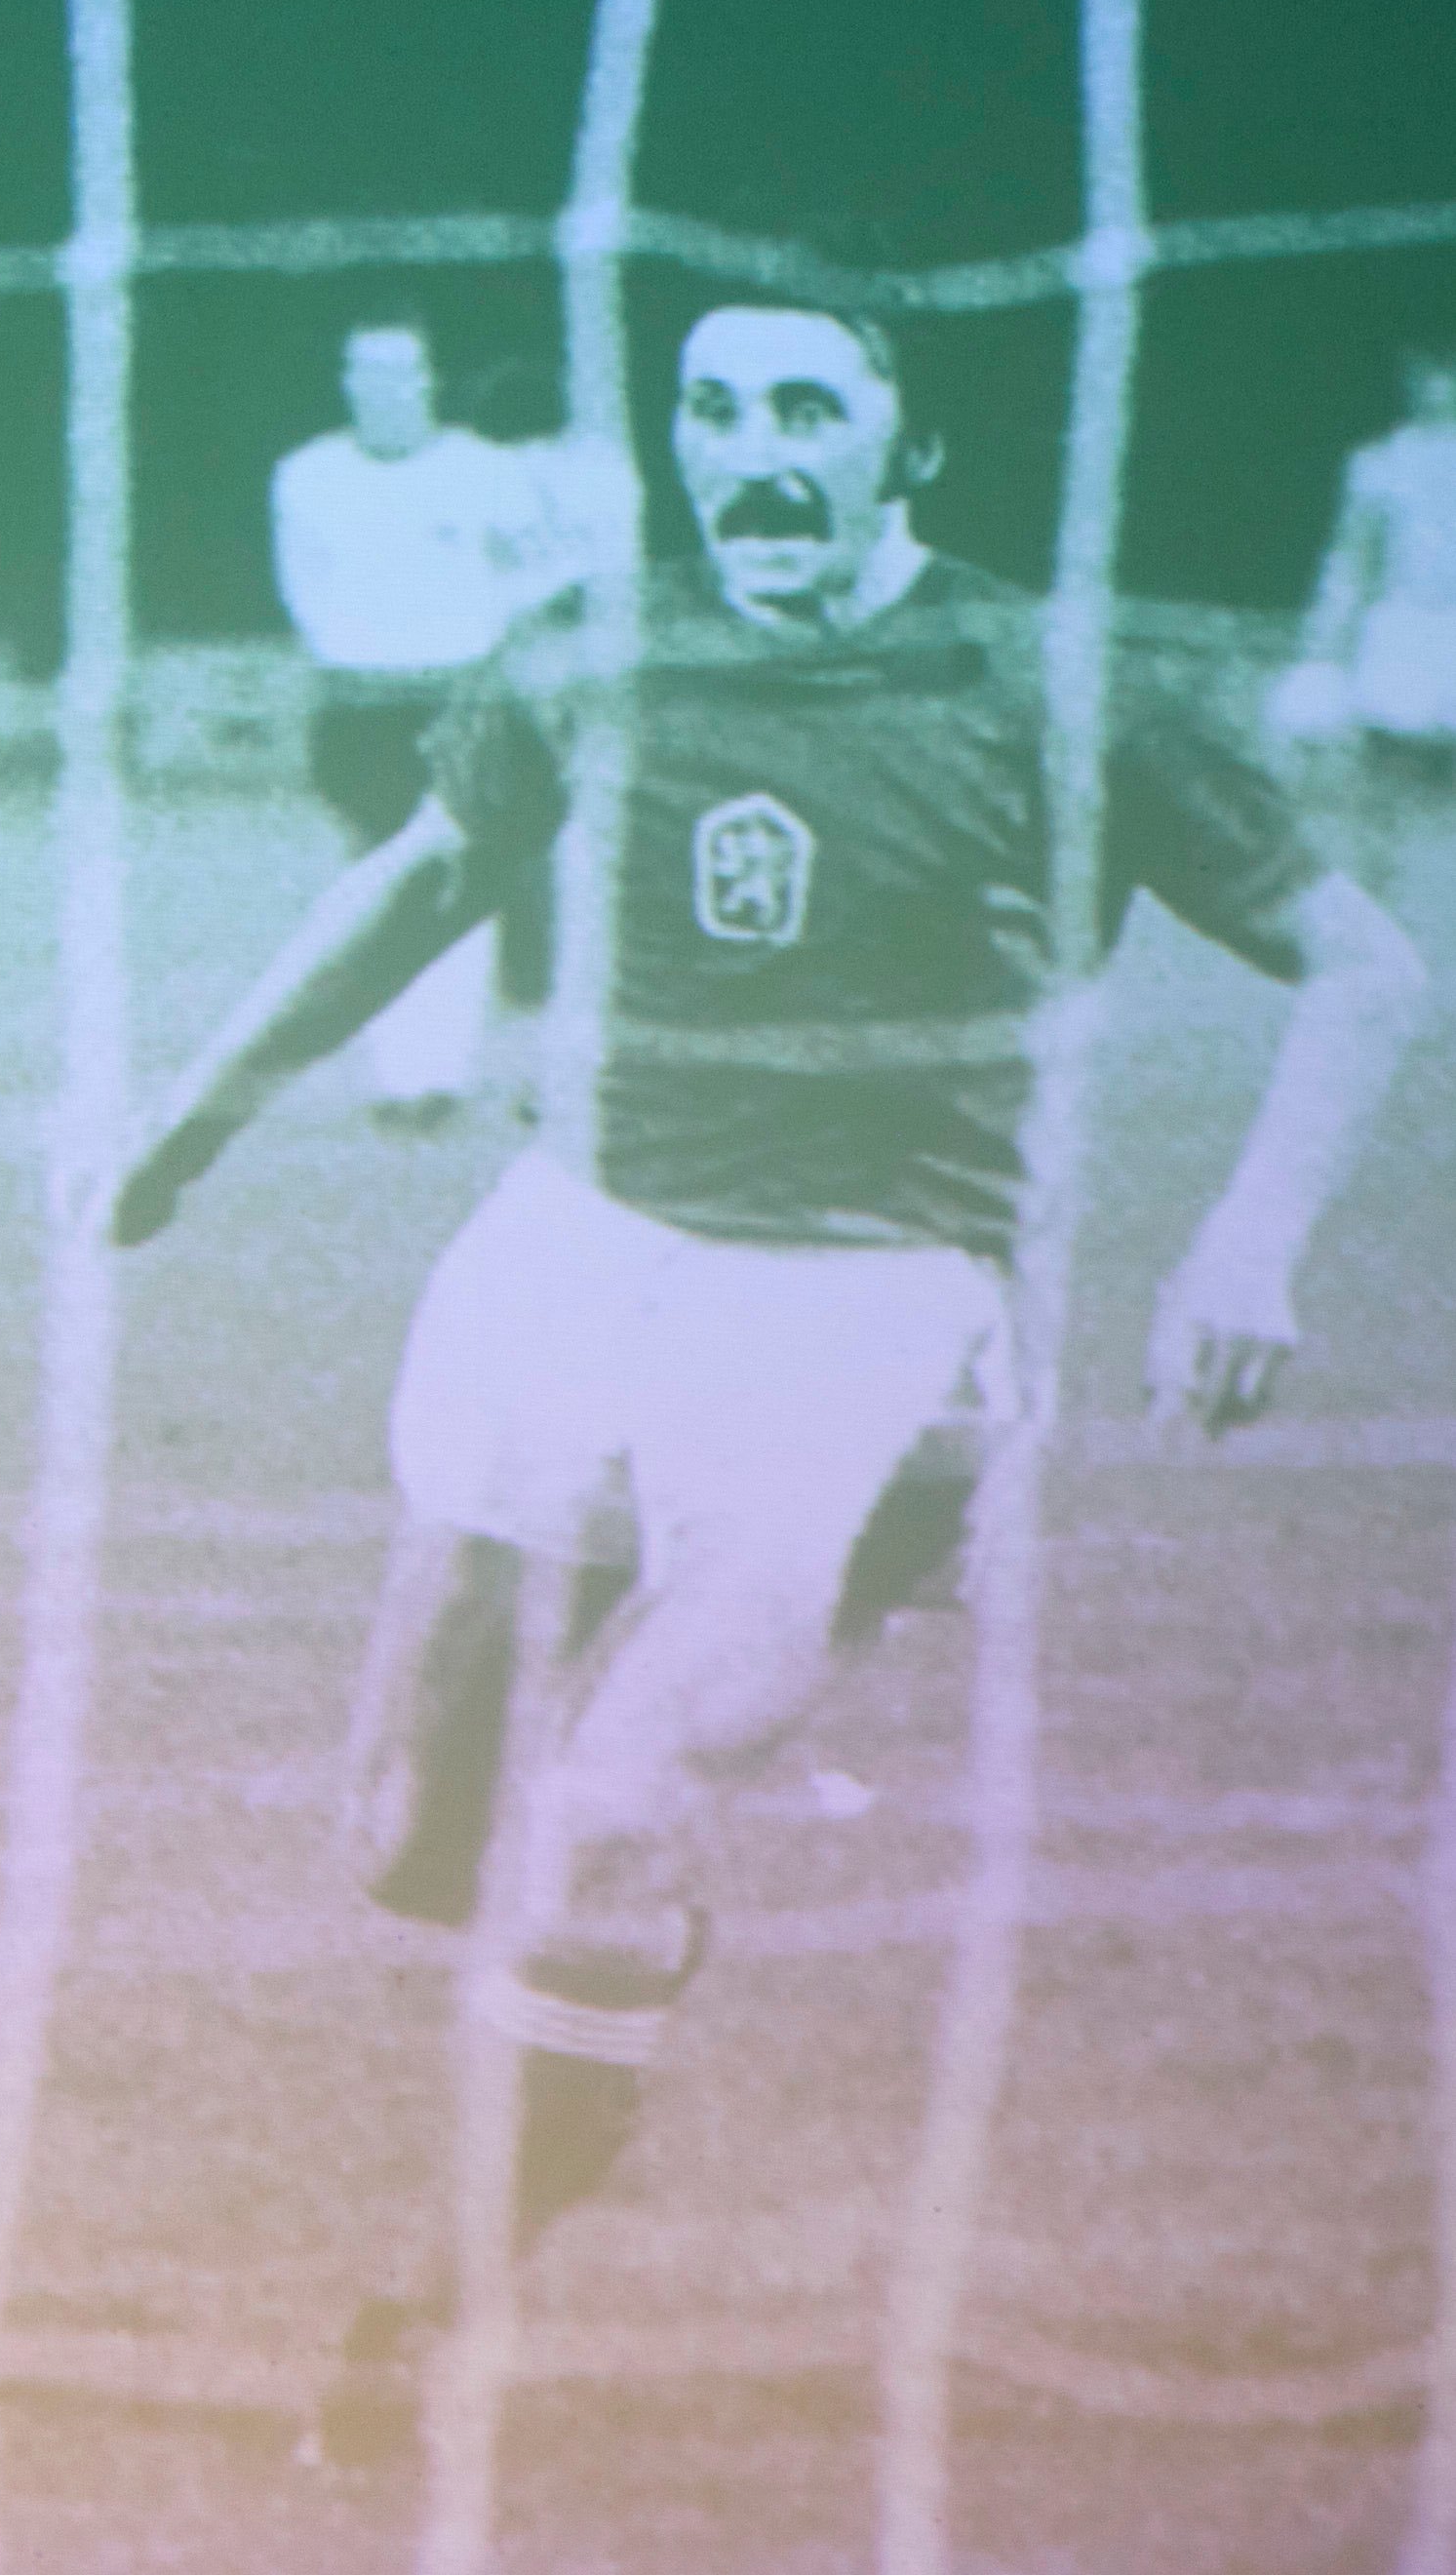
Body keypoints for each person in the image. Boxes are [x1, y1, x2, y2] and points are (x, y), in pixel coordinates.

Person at [104, 298, 1429, 2459]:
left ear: (910, 448)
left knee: (603, 1824)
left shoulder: (1047, 681)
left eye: (809, 406)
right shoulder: (591, 643)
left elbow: (1366, 970)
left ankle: (434, 2316)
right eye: (716, 409)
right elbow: (427, 879)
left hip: (869, 1312)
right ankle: (616, 1915)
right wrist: (195, 1116)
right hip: (572, 1252)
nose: (756, 449)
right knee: (403, 1843)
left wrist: (1252, 1236)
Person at [270, 314, 560, 1125]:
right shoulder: (307, 476)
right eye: (368, 372)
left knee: (468, 875)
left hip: (459, 693)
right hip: (360, 702)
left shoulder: (483, 471)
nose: (386, 391)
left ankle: (440, 1077)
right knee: (379, 885)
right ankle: (396, 1076)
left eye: (403, 372)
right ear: (346, 381)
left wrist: (482, 649)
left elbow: (531, 573)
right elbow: (305, 586)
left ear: (429, 381)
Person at [1277, 342, 1456, 791]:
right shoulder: (1379, 463)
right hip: (1403, 633)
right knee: (1395, 775)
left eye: (1446, 369)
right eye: (1425, 369)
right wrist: (1323, 649)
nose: (1436, 383)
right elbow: (1351, 561)